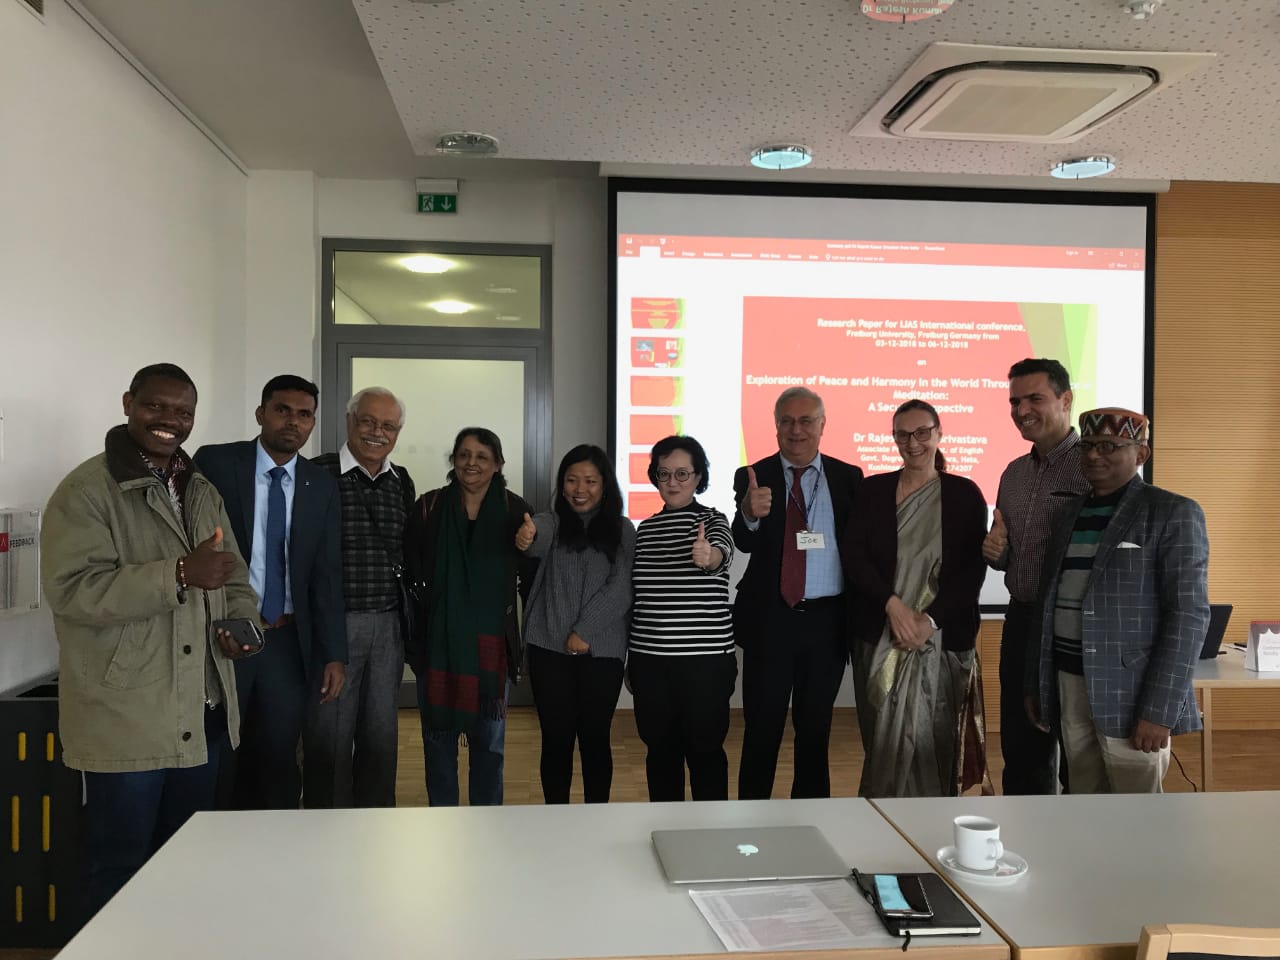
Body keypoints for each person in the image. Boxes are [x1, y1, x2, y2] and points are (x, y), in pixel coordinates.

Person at [40, 363, 259, 921]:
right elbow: (73, 592)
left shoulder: (200, 488)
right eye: (156, 406)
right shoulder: (87, 491)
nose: (169, 420)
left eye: (182, 411)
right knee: (118, 865)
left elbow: (231, 575)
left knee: (183, 860)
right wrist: (178, 573)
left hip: (202, 707)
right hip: (129, 714)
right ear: (128, 404)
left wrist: (242, 626)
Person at [1027, 408, 1209, 794]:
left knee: (1136, 812)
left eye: (1109, 446)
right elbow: (1047, 605)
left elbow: (1188, 615)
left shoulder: (1172, 512)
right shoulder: (1067, 514)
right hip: (1069, 683)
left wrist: (1159, 710)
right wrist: (1036, 682)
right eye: (1088, 446)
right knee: (1084, 796)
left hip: (1132, 691)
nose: (1094, 455)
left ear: (1141, 454)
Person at [194, 375, 347, 810]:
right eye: (282, 410)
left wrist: (333, 653)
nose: (293, 422)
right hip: (225, 636)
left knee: (278, 755)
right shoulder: (217, 463)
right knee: (219, 750)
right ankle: (215, 837)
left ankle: (274, 839)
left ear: (313, 423)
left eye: (304, 415)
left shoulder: (320, 484)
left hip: (286, 640)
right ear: (261, 414)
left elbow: (326, 574)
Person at [841, 400, 989, 797]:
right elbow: (854, 556)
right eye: (903, 435)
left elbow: (971, 570)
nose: (913, 442)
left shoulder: (964, 494)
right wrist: (892, 606)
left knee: (936, 743)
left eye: (922, 432)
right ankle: (882, 821)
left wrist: (928, 622)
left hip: (941, 641)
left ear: (939, 434)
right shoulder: (873, 491)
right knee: (883, 745)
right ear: (893, 438)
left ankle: (934, 824)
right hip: (880, 637)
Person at [732, 387, 863, 800]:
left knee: (815, 732)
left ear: (823, 425)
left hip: (827, 624)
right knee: (761, 730)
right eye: (787, 421)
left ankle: (811, 817)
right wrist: (749, 514)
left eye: (806, 420)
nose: (796, 430)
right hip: (771, 621)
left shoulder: (849, 478)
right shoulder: (753, 475)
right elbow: (743, 542)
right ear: (776, 427)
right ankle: (751, 819)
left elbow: (861, 548)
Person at [404, 427, 534, 806]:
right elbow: (410, 572)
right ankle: (443, 821)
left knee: (490, 747)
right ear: (454, 461)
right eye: (463, 455)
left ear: (498, 464)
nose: (471, 463)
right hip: (438, 646)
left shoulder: (515, 511)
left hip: (492, 649)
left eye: (481, 456)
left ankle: (486, 821)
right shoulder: (429, 508)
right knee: (437, 745)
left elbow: (529, 579)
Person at [303, 387, 415, 808]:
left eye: (388, 426)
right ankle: (327, 822)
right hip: (334, 626)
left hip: (388, 626)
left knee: (381, 732)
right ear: (349, 421)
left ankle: (375, 820)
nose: (376, 432)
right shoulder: (317, 473)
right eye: (367, 421)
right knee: (328, 732)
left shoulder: (401, 481)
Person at [983, 357, 1089, 795]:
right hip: (1022, 620)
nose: (1022, 410)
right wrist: (997, 553)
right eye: (1014, 401)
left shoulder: (1094, 467)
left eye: (1035, 399)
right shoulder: (1013, 474)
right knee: (1021, 749)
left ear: (1066, 400)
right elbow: (1008, 556)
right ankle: (1025, 832)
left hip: (1074, 625)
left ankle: (1079, 835)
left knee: (1079, 750)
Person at [515, 445, 634, 804]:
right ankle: (557, 818)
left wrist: (584, 630)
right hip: (548, 649)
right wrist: (527, 535)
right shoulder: (553, 523)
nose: (580, 489)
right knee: (556, 740)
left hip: (602, 652)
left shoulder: (622, 529)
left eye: (590, 481)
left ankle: (596, 818)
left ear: (605, 485)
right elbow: (536, 537)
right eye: (571, 480)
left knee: (595, 739)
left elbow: (622, 587)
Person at [629, 435, 737, 801]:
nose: (672, 482)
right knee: (660, 755)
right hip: (650, 663)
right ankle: (666, 825)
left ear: (698, 477)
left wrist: (709, 557)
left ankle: (711, 829)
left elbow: (720, 555)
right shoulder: (645, 530)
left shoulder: (713, 520)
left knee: (706, 755)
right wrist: (632, 661)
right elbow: (639, 601)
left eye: (682, 474)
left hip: (704, 665)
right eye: (664, 474)